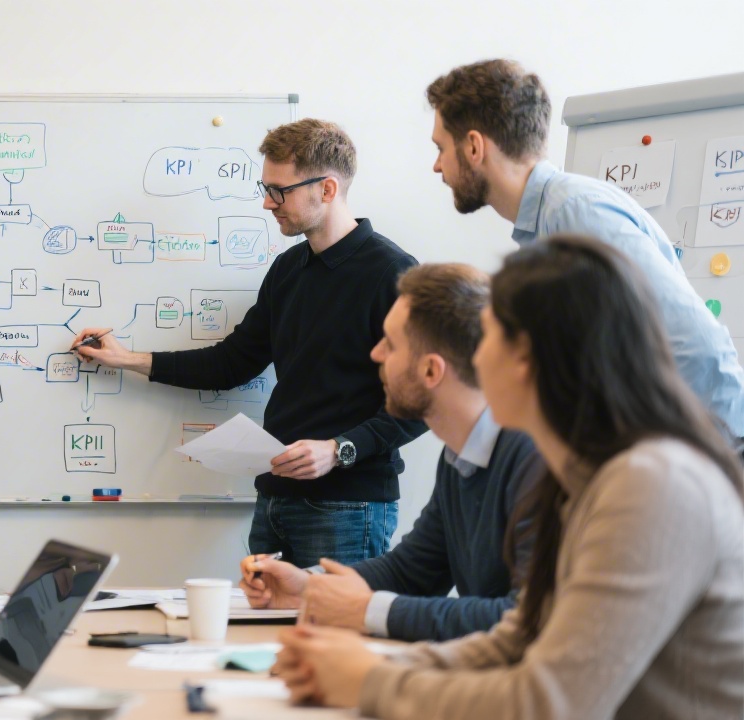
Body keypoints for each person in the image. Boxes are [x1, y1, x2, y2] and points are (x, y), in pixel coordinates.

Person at [274, 235, 744, 719]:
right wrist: (367, 668)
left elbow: (549, 703)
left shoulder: (652, 485)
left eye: (490, 335)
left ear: (527, 358)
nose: (474, 356)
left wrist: (370, 681)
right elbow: (522, 633)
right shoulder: (590, 475)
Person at [72, 119, 426, 568]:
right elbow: (232, 363)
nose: (267, 202)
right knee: (262, 616)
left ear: (327, 189)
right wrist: (128, 359)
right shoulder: (288, 270)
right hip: (275, 499)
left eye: (279, 191)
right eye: (266, 188)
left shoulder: (393, 273)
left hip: (348, 507)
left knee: (337, 616)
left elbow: (425, 399)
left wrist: (339, 450)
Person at [425, 58, 744, 442]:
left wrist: (708, 458)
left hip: (706, 454)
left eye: (441, 147)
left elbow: (697, 345)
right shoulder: (549, 223)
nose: (437, 165)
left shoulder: (575, 214)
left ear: (474, 146)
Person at [240, 263, 541, 642]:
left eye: (391, 344)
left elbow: (527, 619)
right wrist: (308, 587)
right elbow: (412, 572)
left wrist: (366, 611)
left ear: (431, 371)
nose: (376, 353)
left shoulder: (536, 460)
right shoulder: (460, 457)